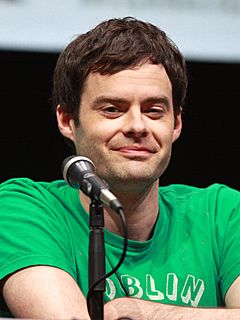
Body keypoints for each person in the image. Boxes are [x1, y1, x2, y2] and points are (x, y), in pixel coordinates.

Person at [0, 16, 240, 320]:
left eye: (154, 110)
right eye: (112, 109)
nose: (137, 126)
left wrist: (145, 313)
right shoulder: (22, 208)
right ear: (67, 120)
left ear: (176, 123)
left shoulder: (222, 213)